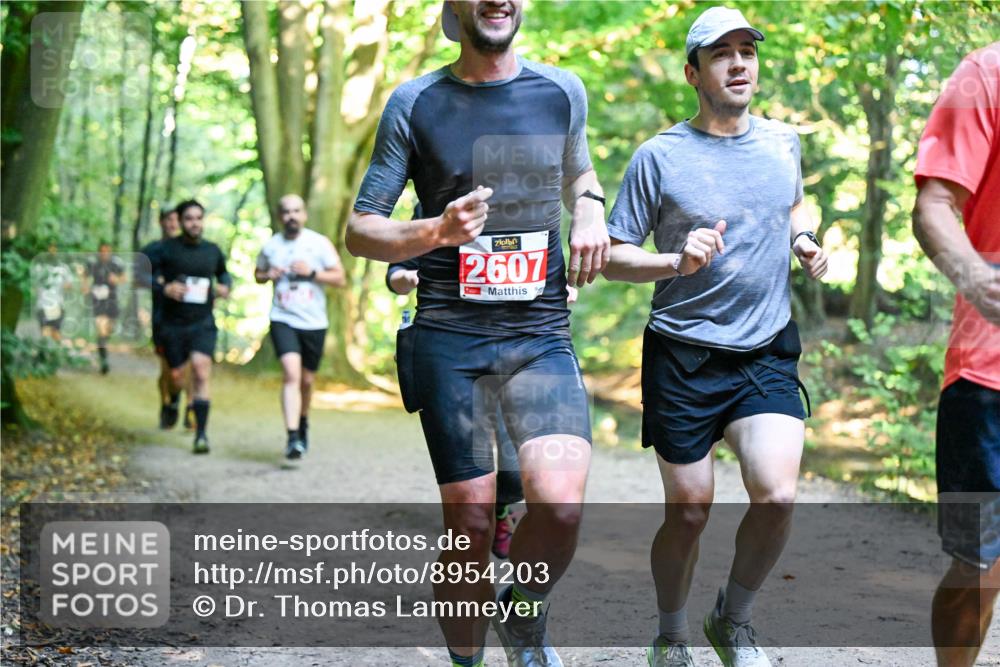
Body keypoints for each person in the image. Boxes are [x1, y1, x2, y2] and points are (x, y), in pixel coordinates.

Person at [348, 1, 610, 664]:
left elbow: (580, 171)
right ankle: (467, 660)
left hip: (540, 332)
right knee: (469, 523)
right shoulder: (416, 102)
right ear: (453, 7)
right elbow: (361, 230)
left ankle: (521, 616)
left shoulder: (561, 91)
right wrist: (436, 230)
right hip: (451, 336)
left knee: (561, 507)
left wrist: (589, 211)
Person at [603, 7, 828, 666]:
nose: (738, 63)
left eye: (747, 52)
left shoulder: (783, 141)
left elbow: (792, 203)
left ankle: (733, 618)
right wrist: (675, 261)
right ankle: (671, 635)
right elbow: (613, 254)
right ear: (692, 72)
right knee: (691, 509)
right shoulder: (660, 156)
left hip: (764, 348)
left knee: (779, 493)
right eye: (721, 54)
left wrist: (805, 239)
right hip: (682, 352)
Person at [911, 41, 1000, 667]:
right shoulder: (985, 74)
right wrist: (978, 279)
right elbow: (934, 206)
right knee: (981, 562)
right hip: (988, 373)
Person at [386, 258, 525, 559]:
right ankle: (472, 538)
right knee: (471, 474)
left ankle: (500, 505)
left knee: (515, 473)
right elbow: (394, 275)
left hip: (513, 346)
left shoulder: (519, 214)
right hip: (449, 351)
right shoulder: (429, 216)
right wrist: (408, 278)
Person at [255, 194, 345, 460]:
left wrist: (312, 273)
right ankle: (292, 436)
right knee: (291, 375)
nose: (291, 216)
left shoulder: (318, 244)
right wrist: (267, 275)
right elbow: (258, 274)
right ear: (279, 216)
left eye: (296, 211)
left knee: (306, 380)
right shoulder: (271, 246)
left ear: (304, 214)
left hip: (314, 322)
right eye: (286, 211)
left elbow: (340, 278)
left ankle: (302, 422)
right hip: (283, 319)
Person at [154, 199, 232, 454]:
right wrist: (164, 287)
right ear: (180, 221)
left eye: (199, 218)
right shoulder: (164, 249)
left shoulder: (212, 250)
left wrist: (225, 287)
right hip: (172, 324)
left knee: (200, 371)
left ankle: (201, 435)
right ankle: (173, 399)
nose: (194, 223)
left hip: (203, 323)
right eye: (189, 218)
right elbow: (141, 274)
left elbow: (224, 274)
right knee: (176, 377)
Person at [139, 207, 197, 429]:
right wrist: (162, 286)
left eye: (176, 220)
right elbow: (138, 277)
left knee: (192, 363)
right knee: (168, 369)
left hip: (192, 317)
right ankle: (169, 402)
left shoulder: (194, 249)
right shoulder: (153, 250)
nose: (173, 224)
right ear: (161, 222)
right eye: (169, 220)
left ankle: (191, 407)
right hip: (163, 318)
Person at [84, 241, 125, 374]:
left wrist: (116, 279)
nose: (104, 254)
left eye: (107, 251)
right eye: (102, 251)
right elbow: (85, 276)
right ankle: (104, 360)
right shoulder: (93, 263)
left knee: (109, 330)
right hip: (98, 301)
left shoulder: (116, 263)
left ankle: (103, 344)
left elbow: (124, 278)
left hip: (112, 300)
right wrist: (85, 286)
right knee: (101, 329)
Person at [33, 243, 73, 342]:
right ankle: (46, 355)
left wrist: (66, 286)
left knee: (55, 333)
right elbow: (33, 285)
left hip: (57, 304)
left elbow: (69, 284)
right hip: (43, 305)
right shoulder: (39, 268)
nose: (52, 251)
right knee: (45, 333)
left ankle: (57, 355)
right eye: (50, 249)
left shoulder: (63, 268)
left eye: (55, 249)